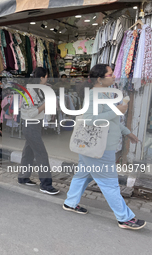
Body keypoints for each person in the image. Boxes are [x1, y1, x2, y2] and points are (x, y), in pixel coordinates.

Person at [63, 64, 146, 230]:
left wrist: (127, 132)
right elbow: (91, 119)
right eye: (110, 73)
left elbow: (111, 120)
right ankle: (125, 218)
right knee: (109, 184)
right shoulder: (94, 95)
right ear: (100, 78)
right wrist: (117, 110)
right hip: (99, 147)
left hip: (93, 146)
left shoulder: (105, 93)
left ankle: (71, 202)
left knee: (83, 175)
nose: (114, 76)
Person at [18, 67, 60, 195]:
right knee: (41, 154)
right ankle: (45, 185)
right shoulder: (31, 91)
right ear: (42, 77)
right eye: (46, 77)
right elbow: (31, 113)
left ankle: (23, 177)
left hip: (34, 125)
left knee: (28, 151)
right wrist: (45, 104)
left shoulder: (38, 89)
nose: (47, 79)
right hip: (30, 124)